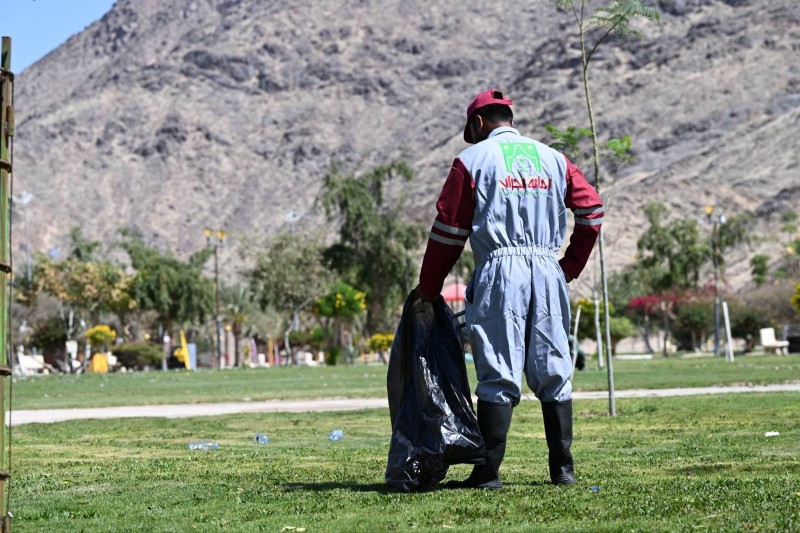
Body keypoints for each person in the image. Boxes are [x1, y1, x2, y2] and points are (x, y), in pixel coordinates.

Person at [416, 89, 603, 488]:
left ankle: (488, 472)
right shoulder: (554, 159)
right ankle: (563, 470)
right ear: (509, 119)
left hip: (501, 270)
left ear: (478, 123)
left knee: (498, 367)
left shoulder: (472, 160)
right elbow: (591, 211)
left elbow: (449, 232)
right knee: (553, 364)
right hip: (547, 268)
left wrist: (428, 287)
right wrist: (568, 267)